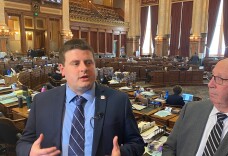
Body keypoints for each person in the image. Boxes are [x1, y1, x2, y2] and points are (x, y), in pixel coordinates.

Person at [16, 39, 145, 156]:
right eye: (76, 63)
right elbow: (23, 143)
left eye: (88, 62)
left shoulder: (118, 101)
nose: (84, 68)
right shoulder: (42, 101)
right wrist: (30, 152)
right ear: (62, 69)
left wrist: (122, 153)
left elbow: (137, 144)